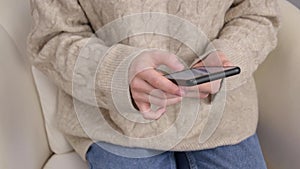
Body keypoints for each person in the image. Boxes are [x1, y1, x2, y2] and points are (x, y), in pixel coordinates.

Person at [27, 0, 280, 168]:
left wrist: (228, 57)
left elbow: (257, 13)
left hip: (222, 116)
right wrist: (119, 72)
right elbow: (53, 38)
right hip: (115, 123)